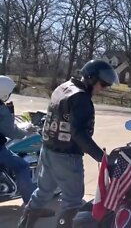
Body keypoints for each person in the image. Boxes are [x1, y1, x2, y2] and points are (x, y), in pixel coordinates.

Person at [18, 60, 119, 228]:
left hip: (47, 150)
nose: (103, 88)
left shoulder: (63, 87)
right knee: (72, 202)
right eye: (102, 84)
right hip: (67, 156)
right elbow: (79, 134)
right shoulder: (81, 98)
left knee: (42, 192)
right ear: (91, 78)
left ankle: (24, 225)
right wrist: (104, 159)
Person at [0, 76, 52, 209]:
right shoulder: (1, 109)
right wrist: (27, 131)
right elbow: (12, 133)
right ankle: (32, 206)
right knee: (22, 166)